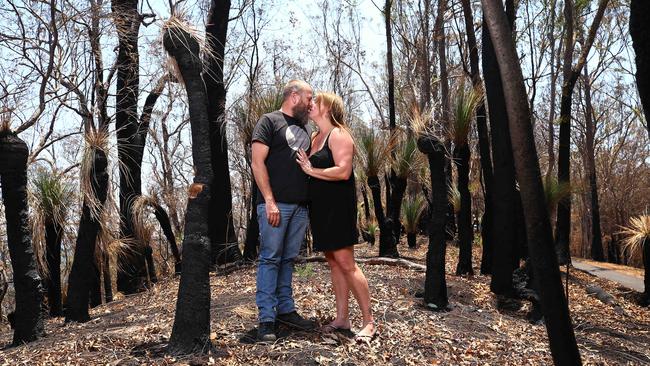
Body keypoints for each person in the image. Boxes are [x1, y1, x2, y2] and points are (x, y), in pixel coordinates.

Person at [296, 92, 377, 343]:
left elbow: (343, 171)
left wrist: (311, 169)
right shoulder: (314, 136)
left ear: (328, 108)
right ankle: (342, 318)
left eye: (315, 102)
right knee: (333, 262)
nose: (311, 105)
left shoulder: (339, 134)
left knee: (346, 262)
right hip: (320, 207)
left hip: (338, 206)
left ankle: (369, 322)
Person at [251, 79, 316, 342]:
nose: (311, 103)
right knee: (270, 258)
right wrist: (269, 200)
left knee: (288, 260)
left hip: (300, 207)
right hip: (275, 205)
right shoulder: (269, 121)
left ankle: (286, 310)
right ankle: (267, 319)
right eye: (309, 98)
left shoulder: (306, 127)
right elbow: (257, 163)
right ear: (294, 96)